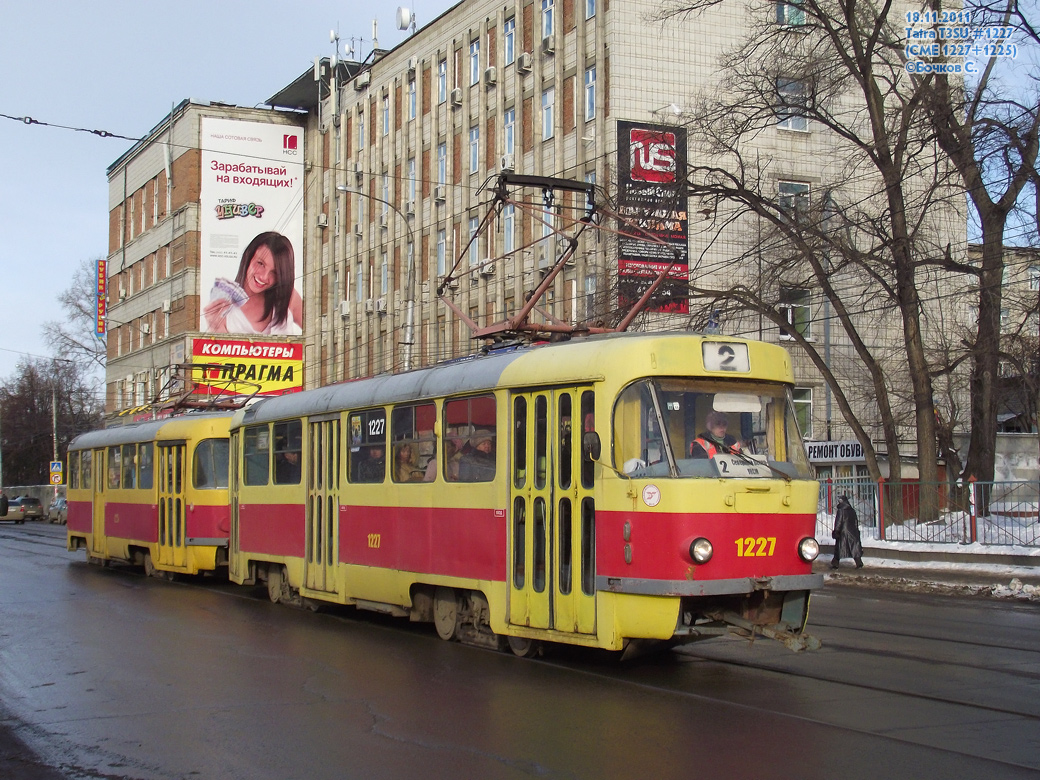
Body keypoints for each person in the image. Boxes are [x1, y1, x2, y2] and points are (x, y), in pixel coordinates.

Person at [203, 232, 303, 335]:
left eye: (274, 272)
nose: (264, 277)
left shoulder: (289, 298)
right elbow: (220, 350)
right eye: (260, 263)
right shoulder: (220, 306)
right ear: (248, 257)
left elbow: (316, 332)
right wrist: (216, 328)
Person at [831, 494, 864, 569]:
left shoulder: (841, 510)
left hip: (843, 532)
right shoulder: (852, 510)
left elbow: (838, 522)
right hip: (853, 532)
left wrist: (836, 531)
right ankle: (859, 563)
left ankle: (835, 564)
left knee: (839, 548)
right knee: (854, 548)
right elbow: (856, 522)